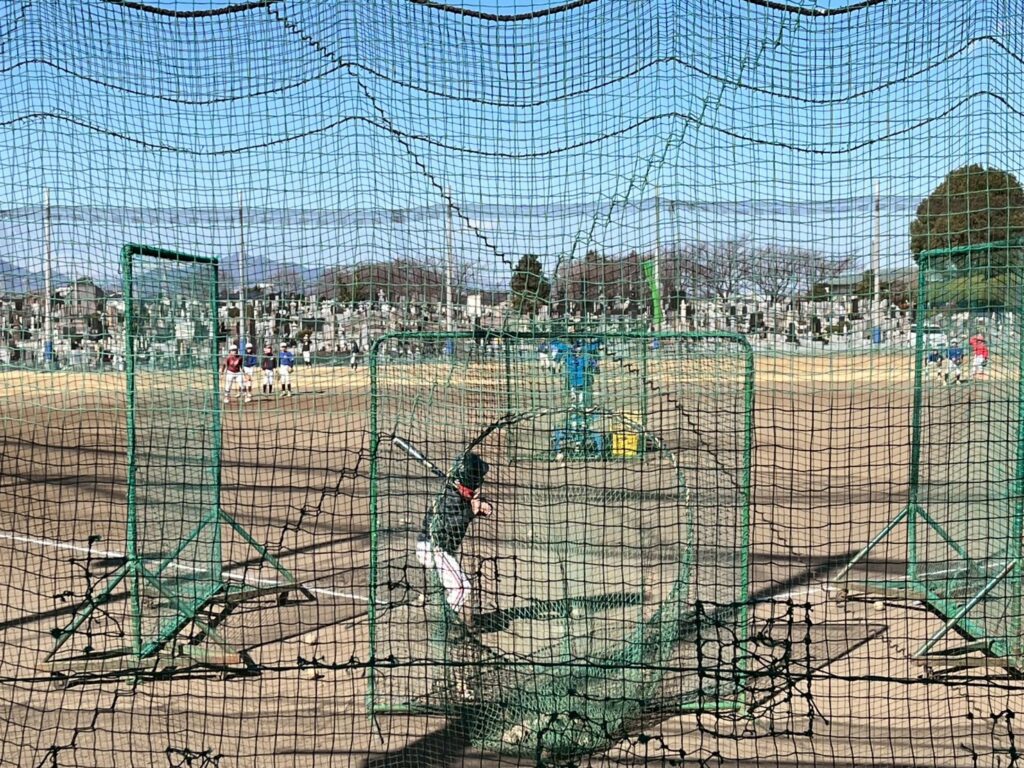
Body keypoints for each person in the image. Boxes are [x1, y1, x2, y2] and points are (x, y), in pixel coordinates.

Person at [415, 453, 493, 619]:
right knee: (463, 588)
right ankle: (447, 620)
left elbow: (466, 508)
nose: (479, 482)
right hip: (432, 548)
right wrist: (471, 511)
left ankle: (445, 612)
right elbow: (448, 525)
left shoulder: (458, 492)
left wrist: (481, 506)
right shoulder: (450, 497)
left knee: (456, 586)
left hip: (441, 548)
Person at [565, 341, 599, 407]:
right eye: (576, 349)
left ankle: (582, 405)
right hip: (574, 379)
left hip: (583, 380)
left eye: (579, 349)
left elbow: (594, 364)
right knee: (574, 392)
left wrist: (594, 365)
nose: (577, 351)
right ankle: (575, 405)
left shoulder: (586, 357)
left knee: (582, 393)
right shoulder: (570, 358)